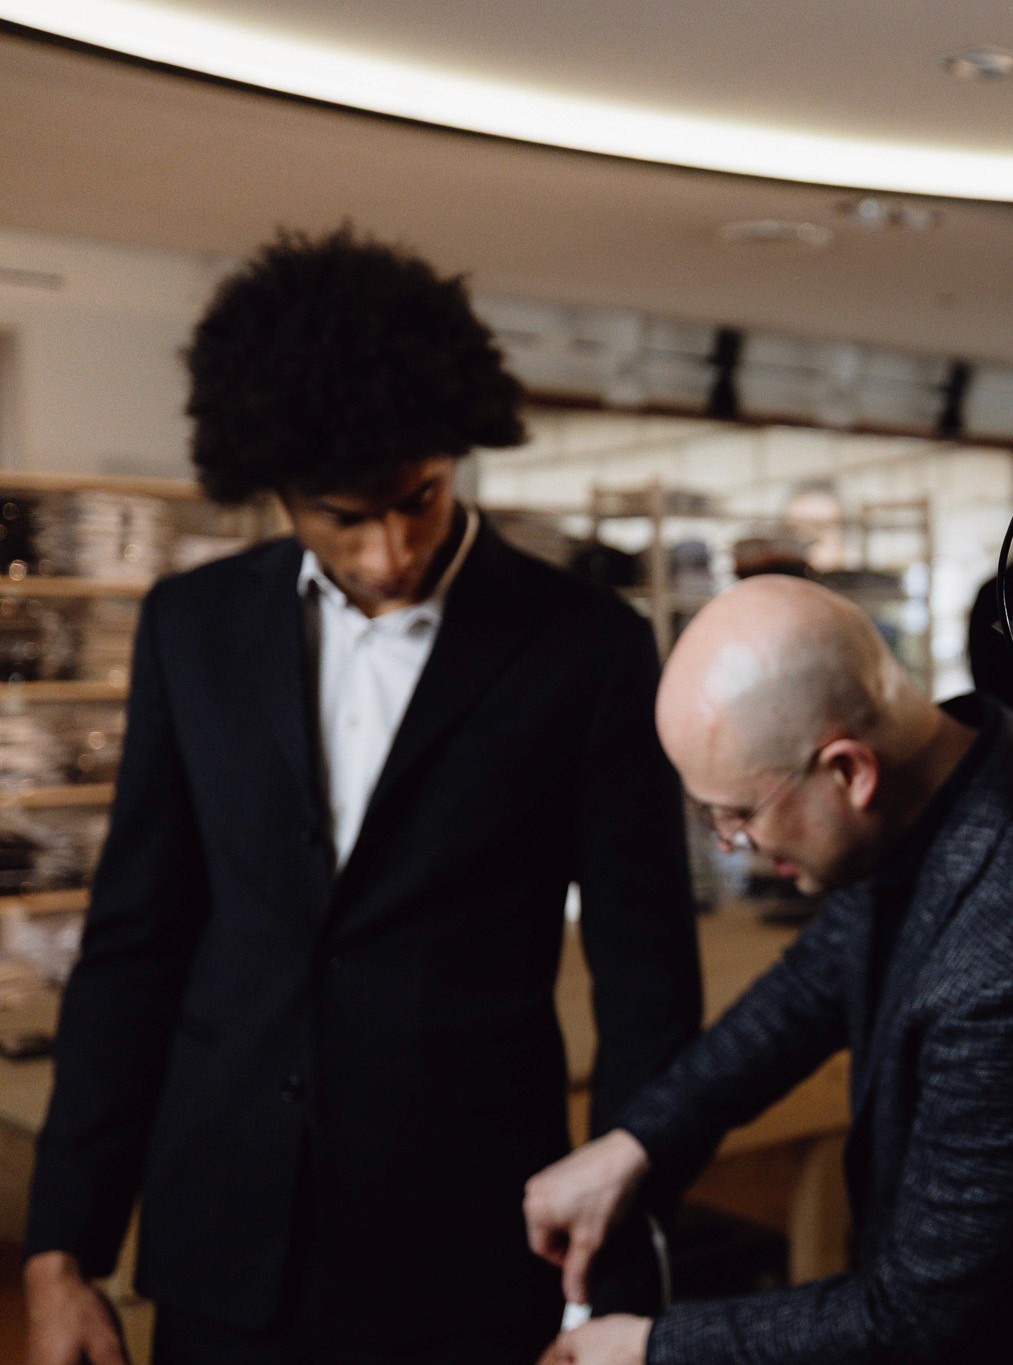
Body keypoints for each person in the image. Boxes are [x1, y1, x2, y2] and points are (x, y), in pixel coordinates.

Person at [23, 227, 703, 1365]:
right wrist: (61, 1250)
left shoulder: (584, 646)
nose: (388, 553)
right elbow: (134, 943)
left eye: (419, 500)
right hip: (223, 1234)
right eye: (344, 516)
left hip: (478, 1242)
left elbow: (648, 980)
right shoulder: (191, 631)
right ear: (271, 489)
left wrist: (614, 1279)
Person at [523, 574, 1013, 1365]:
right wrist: (635, 1143)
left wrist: (649, 1347)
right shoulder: (964, 754)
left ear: (848, 770)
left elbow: (920, 1316)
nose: (726, 844)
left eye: (737, 815)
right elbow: (813, 979)